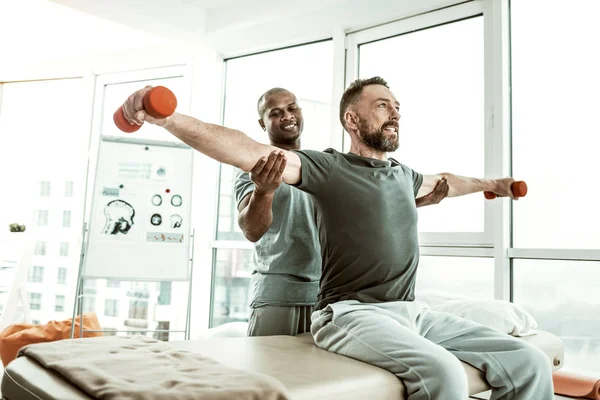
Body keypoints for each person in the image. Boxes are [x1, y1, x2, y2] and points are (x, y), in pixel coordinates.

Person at [120, 77, 552, 399]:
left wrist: (493, 183)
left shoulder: (402, 176)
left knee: (528, 361)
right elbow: (242, 152)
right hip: (327, 304)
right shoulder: (327, 167)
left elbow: (448, 180)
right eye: (382, 105)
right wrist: (166, 116)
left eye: (397, 106)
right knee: (444, 375)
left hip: (407, 310)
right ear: (352, 118)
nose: (395, 113)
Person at [235, 87, 449, 337]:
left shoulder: (323, 166)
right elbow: (251, 230)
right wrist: (264, 191)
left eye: (292, 108)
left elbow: (358, 214)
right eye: (276, 112)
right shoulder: (254, 168)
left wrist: (417, 202)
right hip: (279, 296)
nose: (287, 116)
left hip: (330, 299)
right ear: (263, 123)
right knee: (271, 374)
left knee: (324, 376)